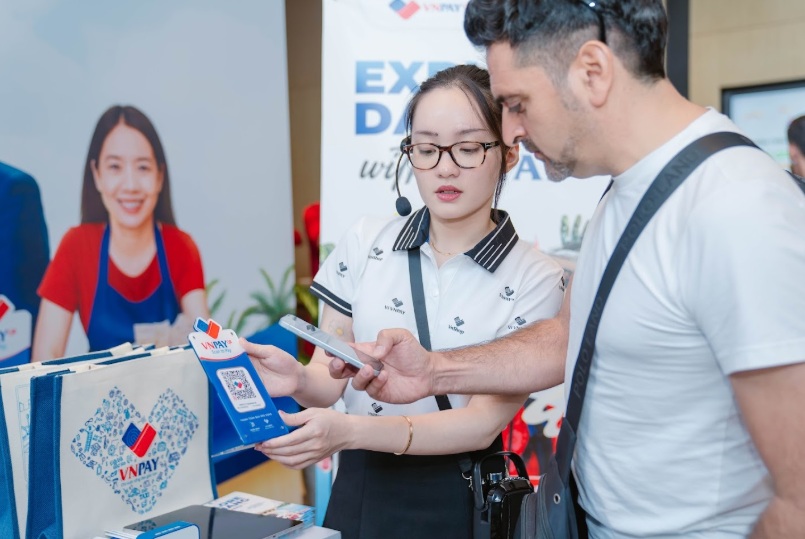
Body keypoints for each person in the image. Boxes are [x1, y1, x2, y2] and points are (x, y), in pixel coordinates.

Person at [339, 1, 805, 537]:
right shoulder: (627, 191)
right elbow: (566, 337)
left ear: (593, 71)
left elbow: (798, 496)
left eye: (517, 103)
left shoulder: (736, 206)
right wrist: (434, 370)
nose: (510, 131)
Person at [243, 65, 565, 539]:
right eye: (427, 149)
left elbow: (481, 424)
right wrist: (298, 379)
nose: (445, 168)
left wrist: (349, 432)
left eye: (468, 147)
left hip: (461, 498)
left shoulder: (537, 277)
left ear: (509, 152)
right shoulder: (365, 241)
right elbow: (329, 376)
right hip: (359, 487)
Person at [32, 105, 209, 359]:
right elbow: (45, 355)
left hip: (170, 385)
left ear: (160, 176)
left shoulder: (180, 246)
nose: (130, 185)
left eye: (143, 167)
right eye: (115, 167)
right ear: (97, 175)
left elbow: (206, 344)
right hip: (98, 386)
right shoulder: (77, 246)